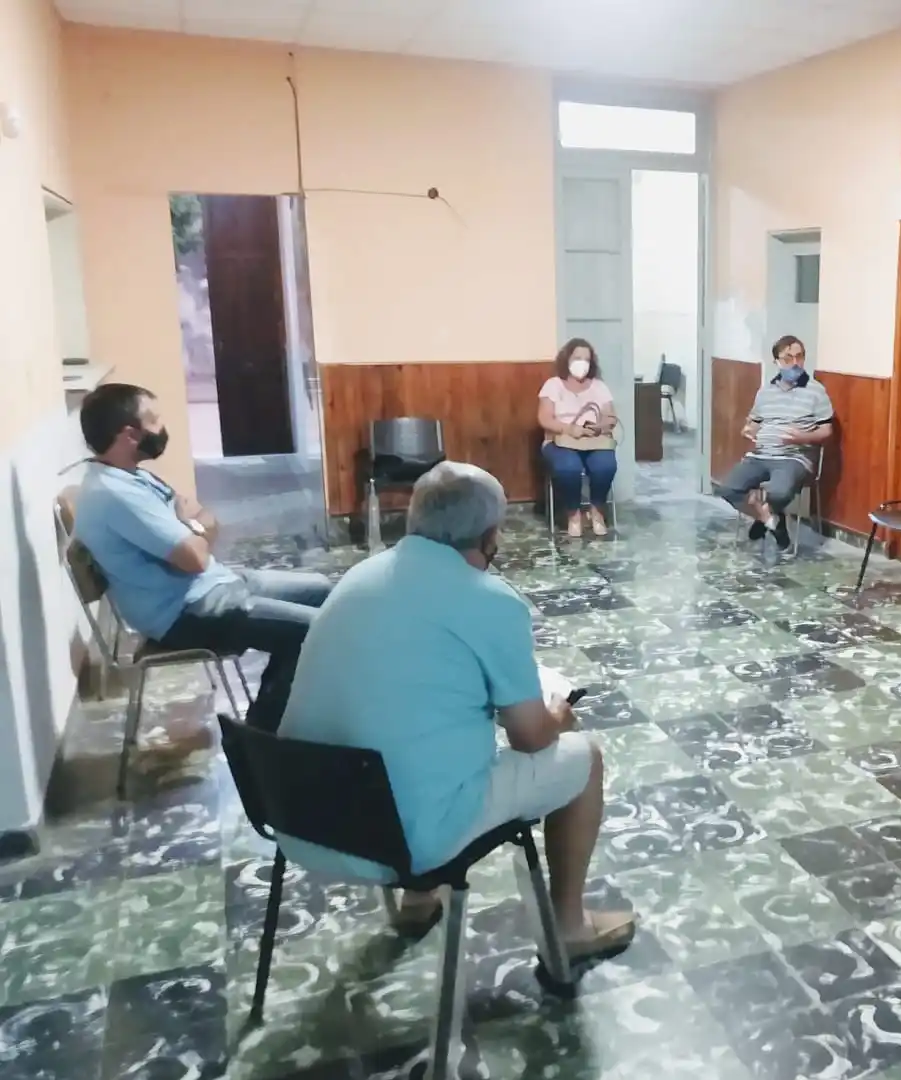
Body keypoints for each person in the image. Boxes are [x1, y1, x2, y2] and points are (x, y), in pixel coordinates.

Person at [277, 462, 637, 958]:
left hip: (303, 814)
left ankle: (418, 901)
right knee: (585, 758)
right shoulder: (490, 601)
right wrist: (558, 716)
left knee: (414, 727)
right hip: (407, 836)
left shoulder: (360, 576)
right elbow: (530, 737)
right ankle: (571, 928)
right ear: (492, 536)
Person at [72, 383, 332, 735]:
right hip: (189, 612)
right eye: (154, 419)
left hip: (215, 584)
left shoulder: (128, 476)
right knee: (315, 630)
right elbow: (195, 551)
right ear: (130, 434)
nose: (162, 427)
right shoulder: (115, 495)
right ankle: (265, 734)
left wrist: (194, 526)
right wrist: (197, 525)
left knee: (325, 591)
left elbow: (200, 525)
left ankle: (286, 709)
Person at [714, 335, 834, 550]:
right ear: (776, 362)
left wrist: (803, 437)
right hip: (760, 454)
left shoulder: (816, 391)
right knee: (728, 489)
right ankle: (770, 518)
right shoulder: (765, 391)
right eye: (788, 358)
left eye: (799, 357)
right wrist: (748, 429)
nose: (795, 363)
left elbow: (826, 430)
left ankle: (765, 519)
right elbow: (754, 421)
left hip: (794, 456)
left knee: (779, 493)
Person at [538, 339, 618, 538]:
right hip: (560, 441)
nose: (582, 363)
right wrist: (569, 429)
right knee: (568, 468)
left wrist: (599, 426)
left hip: (593, 440)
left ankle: (597, 512)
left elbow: (610, 417)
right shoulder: (553, 385)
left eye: (587, 359)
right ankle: (574, 514)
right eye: (577, 358)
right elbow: (544, 418)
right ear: (567, 359)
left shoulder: (599, 386)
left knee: (605, 465)